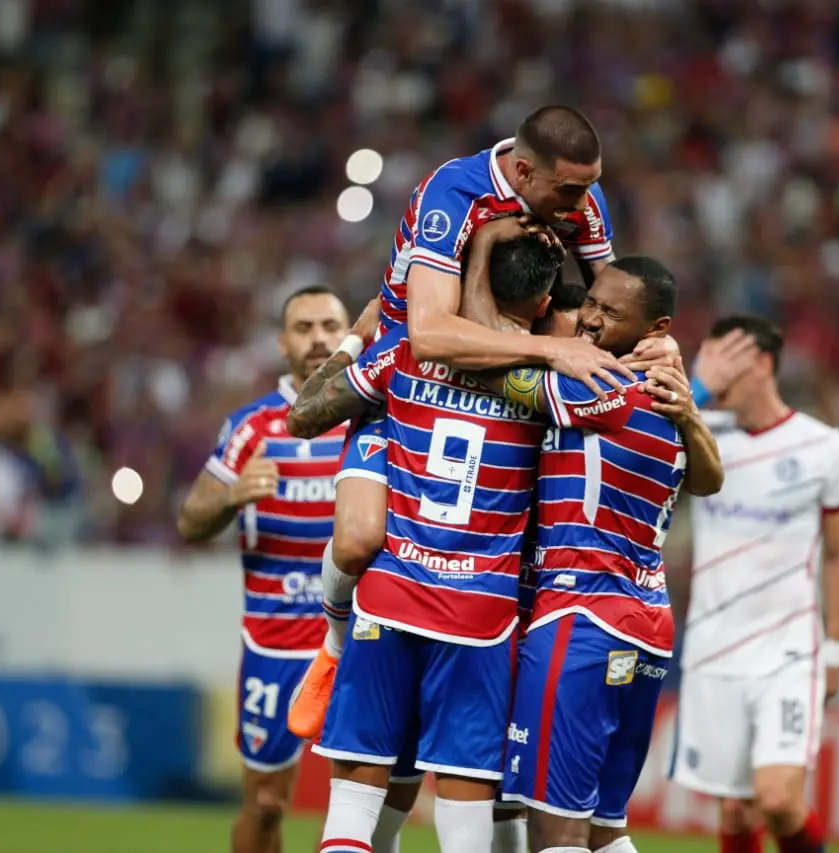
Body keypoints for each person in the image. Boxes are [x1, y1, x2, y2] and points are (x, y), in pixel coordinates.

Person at [288, 104, 686, 741]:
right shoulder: (452, 192)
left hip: (506, 378)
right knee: (361, 539)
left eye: (591, 186)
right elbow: (434, 334)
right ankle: (334, 646)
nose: (584, 203)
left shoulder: (578, 199)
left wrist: (658, 350)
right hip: (410, 380)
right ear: (524, 172)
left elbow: (606, 301)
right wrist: (549, 348)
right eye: (571, 189)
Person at [288, 234, 566, 853]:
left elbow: (304, 413)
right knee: (467, 826)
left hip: (389, 600)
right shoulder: (543, 381)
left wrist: (358, 336)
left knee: (352, 813)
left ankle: (330, 644)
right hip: (481, 616)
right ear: (545, 300)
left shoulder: (406, 354)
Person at [458, 248, 724, 853]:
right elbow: (709, 479)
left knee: (557, 830)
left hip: (582, 619)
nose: (590, 321)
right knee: (607, 829)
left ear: (655, 330)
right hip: (646, 626)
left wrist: (475, 266)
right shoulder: (669, 397)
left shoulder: (600, 389)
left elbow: (481, 354)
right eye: (594, 303)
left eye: (610, 312)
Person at [178, 286, 411, 853]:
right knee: (264, 805)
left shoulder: (377, 415)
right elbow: (190, 521)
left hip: (360, 637)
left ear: (350, 333)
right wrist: (232, 495)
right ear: (283, 343)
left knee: (364, 804)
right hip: (275, 642)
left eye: (330, 326)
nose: (319, 339)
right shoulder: (253, 426)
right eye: (303, 328)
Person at [667, 315, 839, 853]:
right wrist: (696, 390)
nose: (715, 371)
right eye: (707, 360)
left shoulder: (826, 450)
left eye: (727, 358)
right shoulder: (696, 433)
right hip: (714, 648)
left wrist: (837, 649)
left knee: (777, 799)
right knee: (734, 811)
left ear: (763, 363)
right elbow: (641, 438)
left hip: (788, 649)